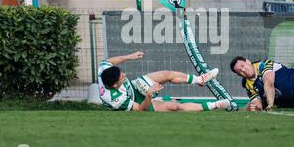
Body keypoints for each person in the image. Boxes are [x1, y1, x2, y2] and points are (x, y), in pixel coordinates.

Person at [98, 51, 231, 112]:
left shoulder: (103, 71)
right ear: (115, 85)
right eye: (122, 77)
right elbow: (140, 109)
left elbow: (108, 61)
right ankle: (215, 105)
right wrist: (149, 94)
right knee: (175, 107)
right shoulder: (114, 99)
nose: (124, 75)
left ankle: (200, 79)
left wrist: (129, 57)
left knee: (166, 74)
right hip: (135, 103)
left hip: (134, 88)